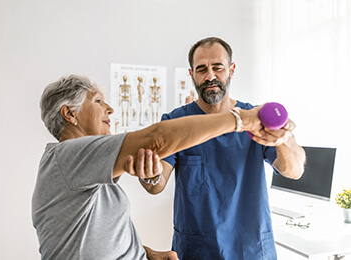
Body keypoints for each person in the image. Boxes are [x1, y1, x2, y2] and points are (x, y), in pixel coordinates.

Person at [32, 74, 266, 259]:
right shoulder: (69, 155)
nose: (110, 109)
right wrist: (242, 120)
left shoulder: (81, 165)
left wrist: (146, 253)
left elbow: (90, 238)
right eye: (98, 101)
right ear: (70, 113)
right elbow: (156, 138)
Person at [135, 37, 306, 260]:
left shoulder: (254, 119)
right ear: (192, 75)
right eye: (201, 69)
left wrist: (285, 139)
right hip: (197, 249)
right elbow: (156, 186)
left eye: (218, 67)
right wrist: (148, 175)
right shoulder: (175, 123)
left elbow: (294, 171)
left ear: (232, 70)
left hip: (251, 249)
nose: (210, 76)